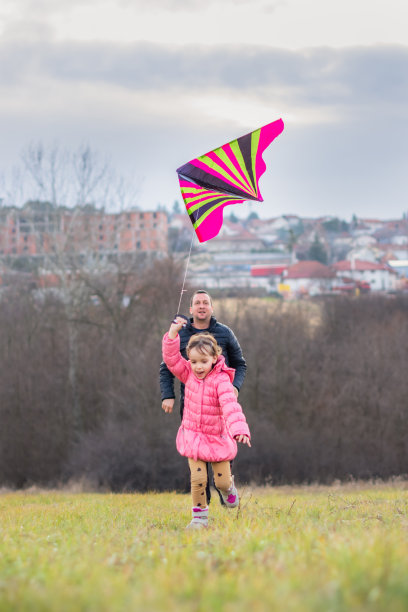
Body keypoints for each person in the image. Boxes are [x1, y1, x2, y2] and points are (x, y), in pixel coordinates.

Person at [162, 317, 251, 529]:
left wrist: (239, 430)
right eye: (193, 362)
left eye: (203, 362)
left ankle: (228, 488)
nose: (198, 367)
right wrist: (173, 334)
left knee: (220, 481)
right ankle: (200, 519)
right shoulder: (188, 374)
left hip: (216, 438)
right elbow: (172, 360)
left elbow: (231, 407)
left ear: (214, 358)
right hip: (193, 435)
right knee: (198, 479)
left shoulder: (222, 381)